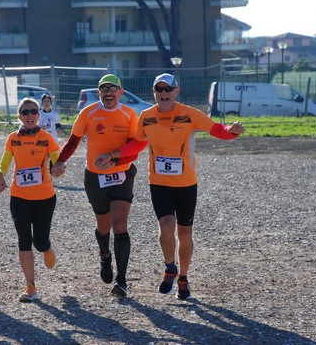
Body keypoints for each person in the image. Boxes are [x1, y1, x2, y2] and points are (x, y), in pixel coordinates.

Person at [94, 73, 245, 300]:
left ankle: (183, 277)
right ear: (154, 92)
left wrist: (232, 132)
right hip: (159, 182)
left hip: (186, 184)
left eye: (168, 89)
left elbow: (216, 130)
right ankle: (169, 268)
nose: (163, 93)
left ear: (176, 91)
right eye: (159, 89)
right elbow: (137, 143)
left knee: (184, 233)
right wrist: (113, 156)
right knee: (166, 226)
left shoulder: (190, 114)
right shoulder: (146, 117)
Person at [51, 74, 146, 298]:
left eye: (113, 88)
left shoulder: (129, 114)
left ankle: (121, 281)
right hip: (95, 178)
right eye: (103, 88)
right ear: (99, 92)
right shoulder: (89, 112)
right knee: (103, 226)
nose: (108, 92)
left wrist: (114, 159)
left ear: (121, 93)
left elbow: (136, 146)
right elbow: (73, 140)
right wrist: (60, 161)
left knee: (120, 224)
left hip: (122, 174)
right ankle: (105, 255)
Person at [0, 98, 60, 302]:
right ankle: (31, 287)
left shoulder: (47, 138)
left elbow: (57, 160)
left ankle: (46, 248)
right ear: (19, 116)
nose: (30, 116)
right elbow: (5, 161)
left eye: (33, 112)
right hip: (19, 197)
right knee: (24, 240)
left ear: (38, 115)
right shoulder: (13, 138)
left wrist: (58, 168)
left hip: (45, 198)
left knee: (39, 241)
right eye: (25, 112)